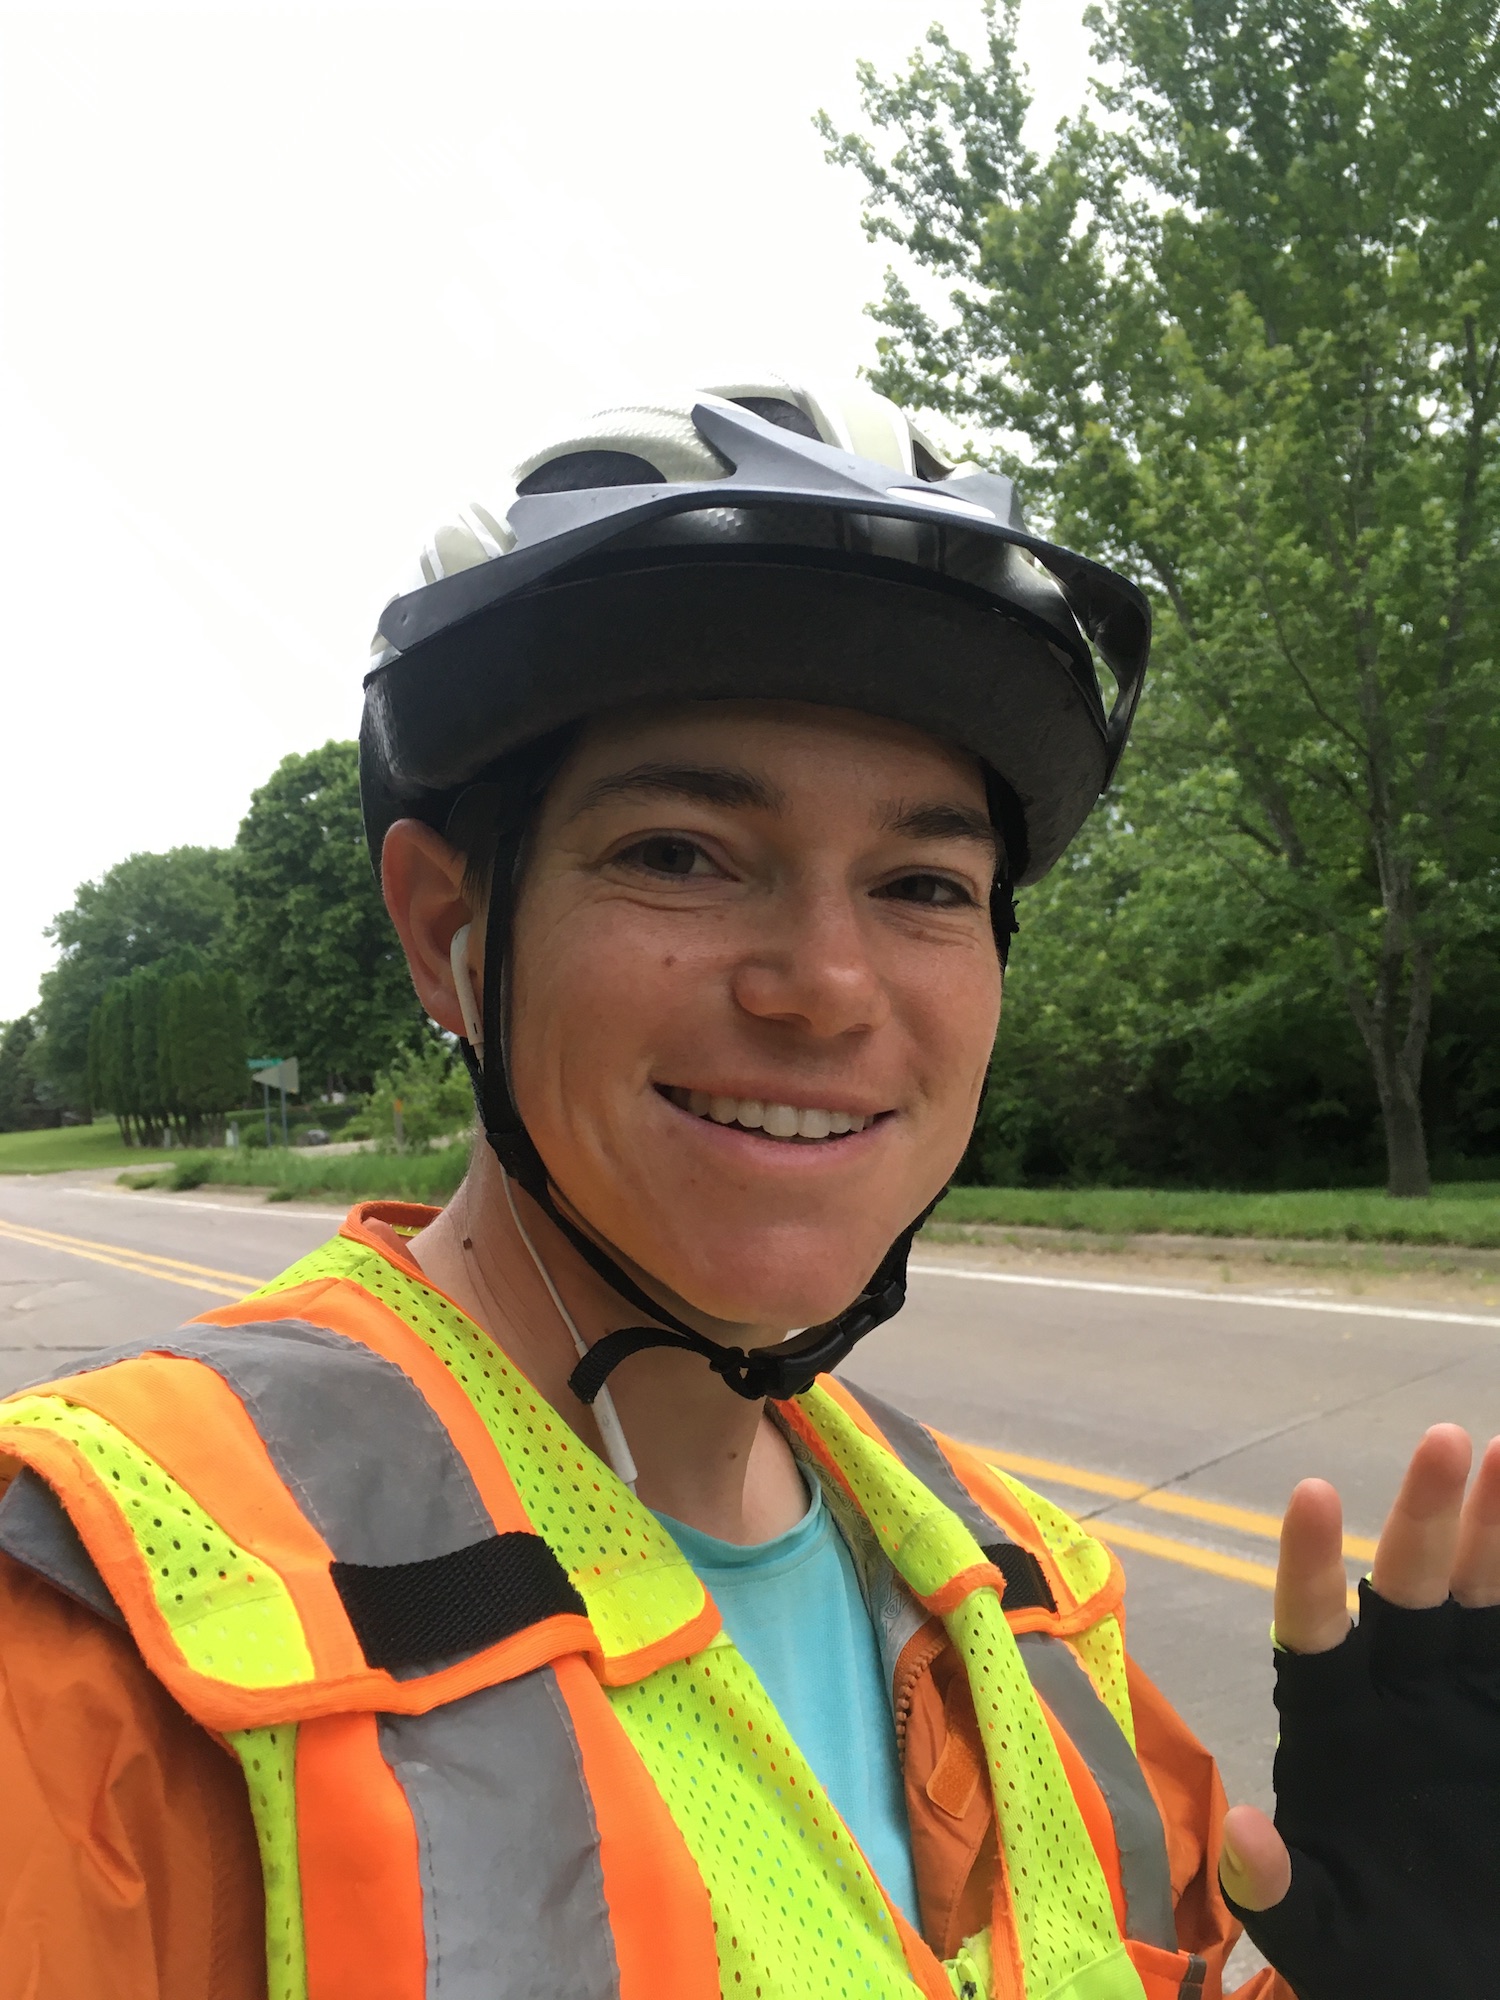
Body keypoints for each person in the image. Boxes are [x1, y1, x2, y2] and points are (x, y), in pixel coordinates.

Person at [0, 379, 1494, 2000]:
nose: (827, 985)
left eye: (924, 886)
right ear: (450, 930)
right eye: (681, 854)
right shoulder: (100, 1630)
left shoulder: (1026, 1600)